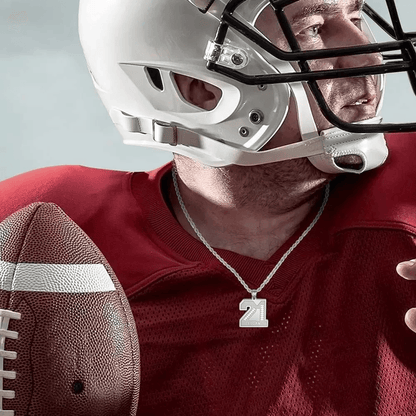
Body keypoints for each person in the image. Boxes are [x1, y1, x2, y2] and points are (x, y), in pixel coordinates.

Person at [1, 0, 416, 414]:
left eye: (357, 18)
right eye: (312, 28)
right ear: (197, 88)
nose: (369, 56)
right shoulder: (44, 242)